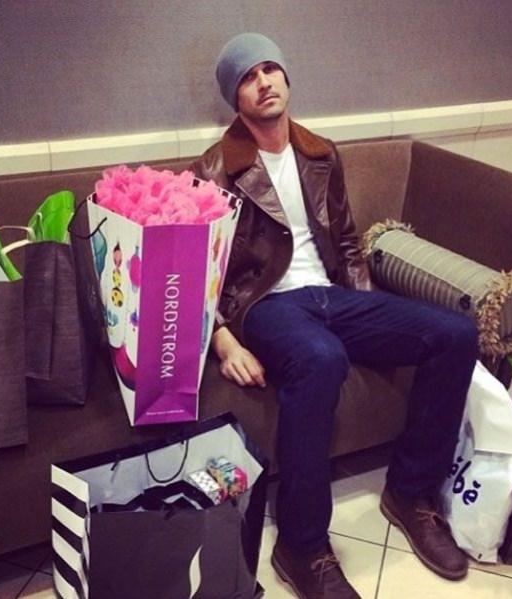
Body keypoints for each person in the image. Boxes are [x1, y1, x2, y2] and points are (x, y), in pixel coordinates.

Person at [192, 33, 478, 599]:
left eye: (270, 69)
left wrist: (372, 314)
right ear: (234, 97)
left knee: (455, 333)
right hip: (265, 305)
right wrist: (224, 342)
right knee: (321, 359)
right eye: (248, 76)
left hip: (332, 296)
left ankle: (411, 493)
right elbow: (198, 268)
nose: (264, 82)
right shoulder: (215, 169)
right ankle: (301, 546)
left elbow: (346, 243)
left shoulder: (320, 154)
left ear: (286, 77)